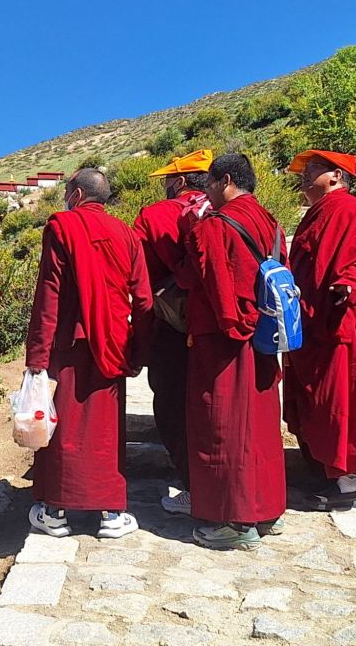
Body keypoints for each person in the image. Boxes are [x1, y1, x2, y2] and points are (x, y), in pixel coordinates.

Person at [25, 168, 154, 539]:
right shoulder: (127, 234)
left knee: (65, 427)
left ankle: (55, 512)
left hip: (71, 344)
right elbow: (144, 300)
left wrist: (37, 357)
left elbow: (49, 295)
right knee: (105, 431)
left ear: (77, 195)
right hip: (114, 344)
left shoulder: (62, 227)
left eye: (67, 191)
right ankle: (111, 514)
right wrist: (137, 351)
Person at [175, 153, 287, 550]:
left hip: (224, 344)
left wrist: (190, 230)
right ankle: (266, 509)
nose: (205, 191)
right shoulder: (270, 222)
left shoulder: (215, 226)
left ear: (225, 181)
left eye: (208, 183)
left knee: (223, 426)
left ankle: (235, 522)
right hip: (263, 338)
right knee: (259, 425)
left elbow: (205, 283)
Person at [284, 150, 356, 510]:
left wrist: (348, 283)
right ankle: (326, 473)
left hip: (341, 327)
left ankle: (349, 486)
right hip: (313, 324)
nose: (304, 175)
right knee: (317, 403)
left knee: (342, 403)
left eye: (313, 169)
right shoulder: (316, 213)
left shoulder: (353, 213)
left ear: (336, 176)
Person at [133, 149, 214, 515]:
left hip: (170, 325)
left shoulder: (154, 215)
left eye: (168, 180)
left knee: (172, 403)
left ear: (180, 181)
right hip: (221, 326)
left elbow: (136, 272)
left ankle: (193, 485)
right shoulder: (225, 211)